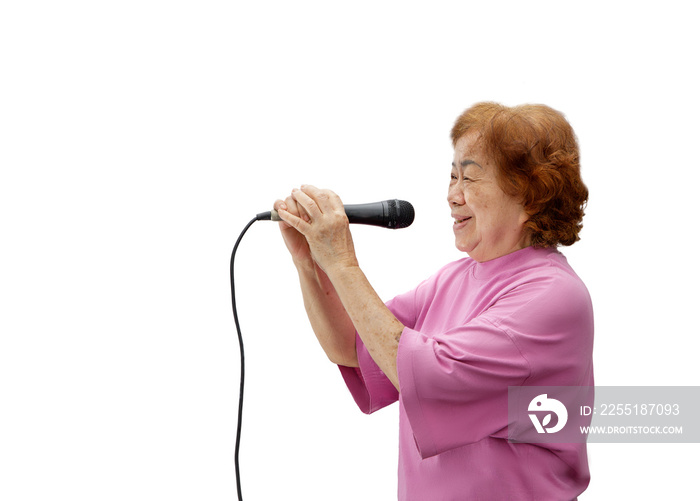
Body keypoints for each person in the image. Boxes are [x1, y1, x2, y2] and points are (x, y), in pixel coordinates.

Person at [273, 102, 593, 500]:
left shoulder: (553, 296)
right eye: (452, 176)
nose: (452, 195)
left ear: (529, 195)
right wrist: (311, 262)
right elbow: (352, 345)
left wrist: (340, 259)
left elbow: (432, 377)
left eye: (471, 178)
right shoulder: (452, 278)